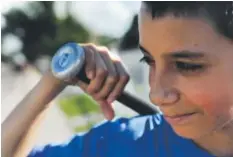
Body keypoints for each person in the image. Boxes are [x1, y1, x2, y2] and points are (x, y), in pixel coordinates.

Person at [2, 2, 233, 157]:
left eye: (186, 66)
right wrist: (54, 79)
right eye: (149, 61)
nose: (156, 94)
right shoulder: (126, 144)